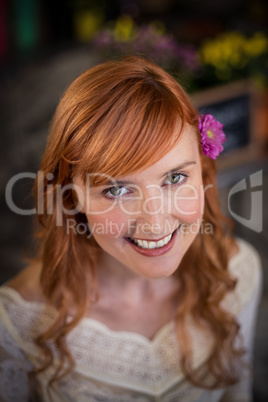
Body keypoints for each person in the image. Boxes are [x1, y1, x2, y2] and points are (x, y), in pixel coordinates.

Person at [0, 56, 262, 401]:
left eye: (175, 177)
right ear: (70, 196)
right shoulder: (15, 324)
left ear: (203, 173)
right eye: (116, 189)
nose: (155, 222)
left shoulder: (239, 273)